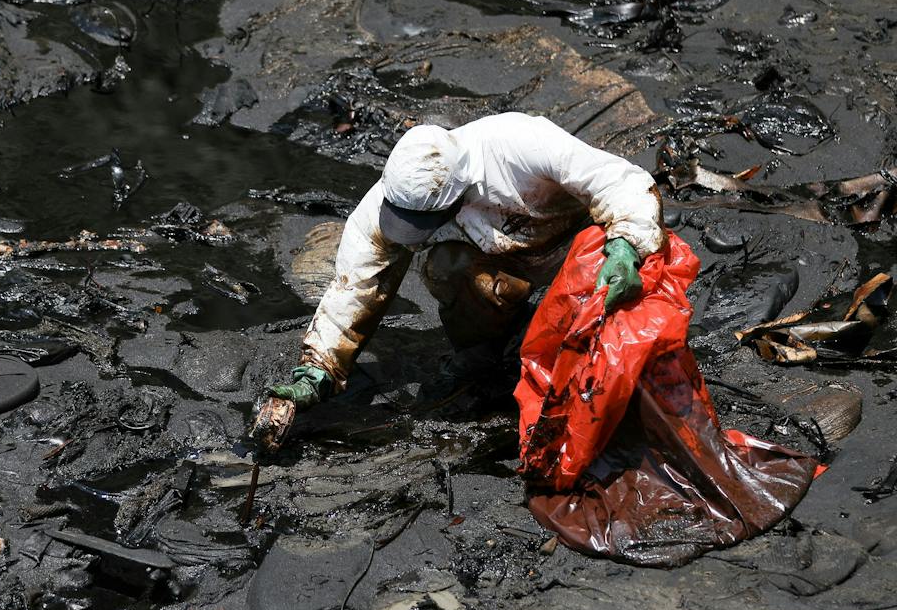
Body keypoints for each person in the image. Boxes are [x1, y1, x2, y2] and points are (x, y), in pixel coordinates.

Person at [249, 112, 664, 452]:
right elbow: (356, 284)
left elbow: (621, 181)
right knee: (444, 265)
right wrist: (318, 366)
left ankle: (579, 346)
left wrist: (627, 244)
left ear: (458, 191)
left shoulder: (522, 144)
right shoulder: (391, 197)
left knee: (602, 339)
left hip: (579, 251)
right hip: (508, 263)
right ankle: (490, 354)